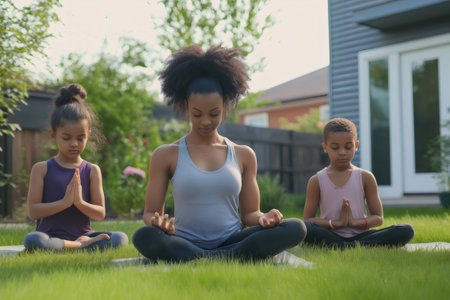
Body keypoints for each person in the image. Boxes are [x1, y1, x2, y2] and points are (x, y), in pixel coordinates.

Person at [132, 45, 306, 262]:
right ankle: (228, 258)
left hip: (233, 239)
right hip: (184, 241)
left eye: (214, 113)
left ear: (225, 106)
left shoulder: (243, 155)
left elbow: (250, 214)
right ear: (186, 106)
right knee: (144, 236)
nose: (206, 121)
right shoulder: (166, 154)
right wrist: (157, 223)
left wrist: (265, 218)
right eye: (197, 114)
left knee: (295, 227)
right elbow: (149, 214)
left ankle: (202, 259)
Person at [23, 84, 128, 251]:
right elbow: (33, 212)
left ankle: (80, 243)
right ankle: (80, 246)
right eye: (66, 138)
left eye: (80, 138)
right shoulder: (41, 169)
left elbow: (100, 213)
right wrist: (65, 202)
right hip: (49, 236)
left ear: (88, 136)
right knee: (34, 240)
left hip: (84, 234)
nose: (74, 143)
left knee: (121, 238)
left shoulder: (92, 170)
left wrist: (78, 202)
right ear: (53, 135)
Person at [303, 118, 414, 248]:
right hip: (330, 234)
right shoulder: (316, 180)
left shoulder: (365, 177)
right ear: (325, 147)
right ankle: (356, 246)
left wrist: (354, 223)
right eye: (335, 147)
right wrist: (335, 223)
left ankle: (344, 246)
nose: (342, 152)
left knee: (405, 230)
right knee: (305, 228)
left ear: (356, 146)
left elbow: (378, 217)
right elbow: (308, 220)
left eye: (348, 147)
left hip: (361, 235)